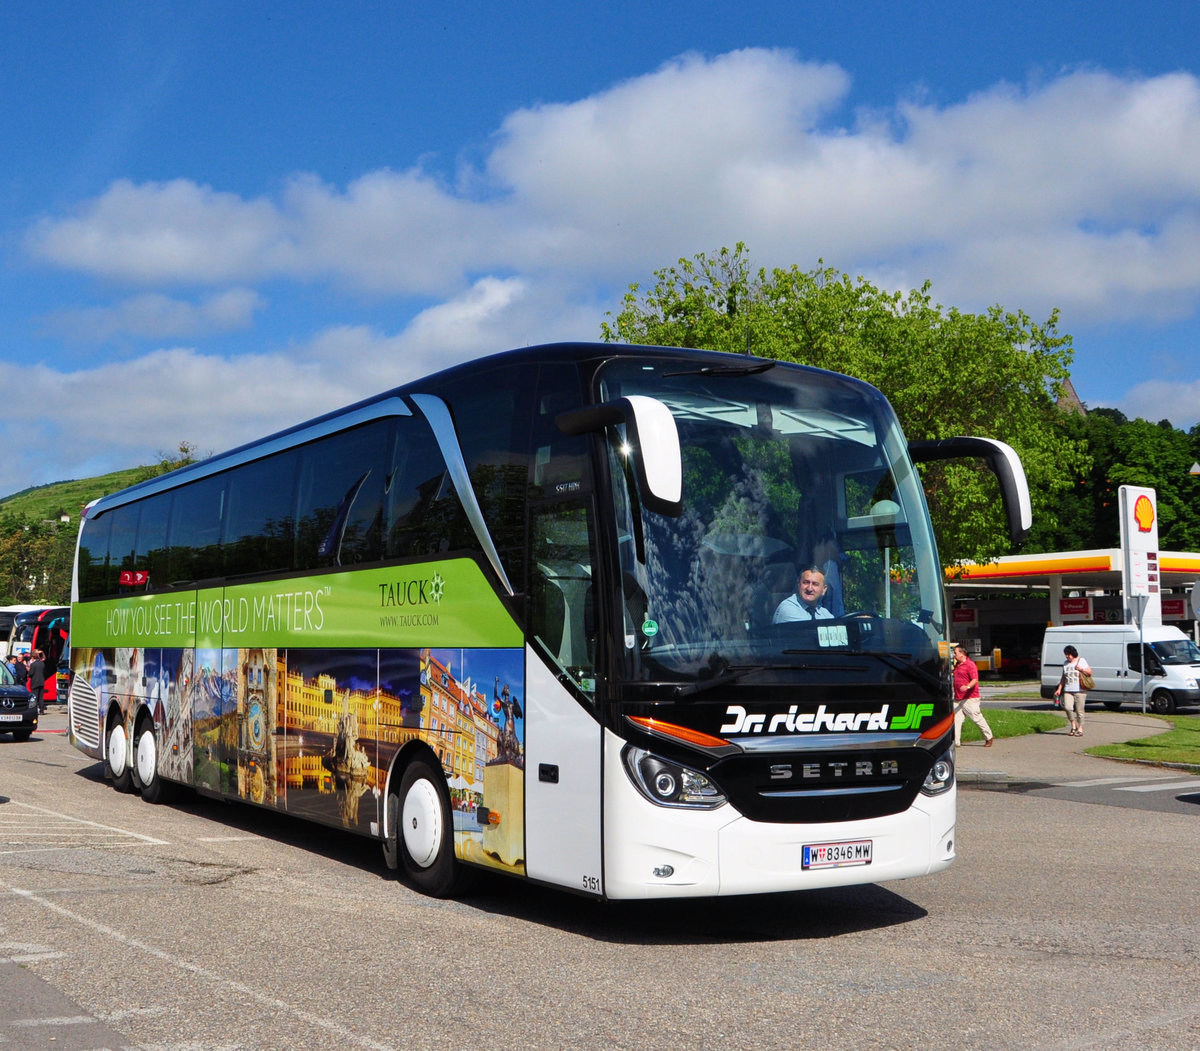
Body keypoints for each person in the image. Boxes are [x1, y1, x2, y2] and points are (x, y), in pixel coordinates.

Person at [953, 643, 993, 747]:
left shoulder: (970, 665)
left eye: (955, 652)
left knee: (976, 717)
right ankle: (956, 742)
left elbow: (975, 679)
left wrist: (967, 687)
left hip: (969, 698)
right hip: (958, 698)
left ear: (962, 653)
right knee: (956, 720)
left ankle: (988, 737)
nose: (954, 655)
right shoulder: (957, 665)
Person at [1054, 644, 1090, 737]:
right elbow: (1063, 677)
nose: (1067, 656)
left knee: (1079, 711)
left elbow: (1090, 672)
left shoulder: (1081, 660)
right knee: (1068, 707)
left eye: (1068, 654)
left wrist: (1080, 669)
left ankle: (1080, 728)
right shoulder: (1066, 663)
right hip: (1068, 689)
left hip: (1079, 690)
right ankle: (1073, 724)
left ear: (1073, 653)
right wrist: (1059, 689)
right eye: (1065, 654)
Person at [813, 532, 846, 617]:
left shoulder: (832, 568)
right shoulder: (807, 574)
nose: (836, 549)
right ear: (823, 543)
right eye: (834, 544)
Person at [28, 649, 46, 714]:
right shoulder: (42, 663)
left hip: (35, 682)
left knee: (35, 697)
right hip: (41, 681)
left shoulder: (33, 664)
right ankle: (42, 710)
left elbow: (31, 673)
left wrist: (28, 673)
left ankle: (34, 710)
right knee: (41, 697)